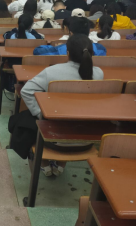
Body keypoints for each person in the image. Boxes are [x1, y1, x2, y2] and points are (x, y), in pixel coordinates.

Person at [21, 34, 104, 175]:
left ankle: (44, 164)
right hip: (87, 140)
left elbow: (26, 91)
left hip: (53, 138)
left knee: (24, 120)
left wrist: (41, 114)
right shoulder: (99, 74)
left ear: (67, 53)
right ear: (91, 53)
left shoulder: (52, 71)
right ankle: (60, 165)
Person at [34, 17, 107, 56]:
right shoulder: (100, 48)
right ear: (88, 32)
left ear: (71, 33)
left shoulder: (62, 49)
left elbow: (37, 51)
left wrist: (58, 46)